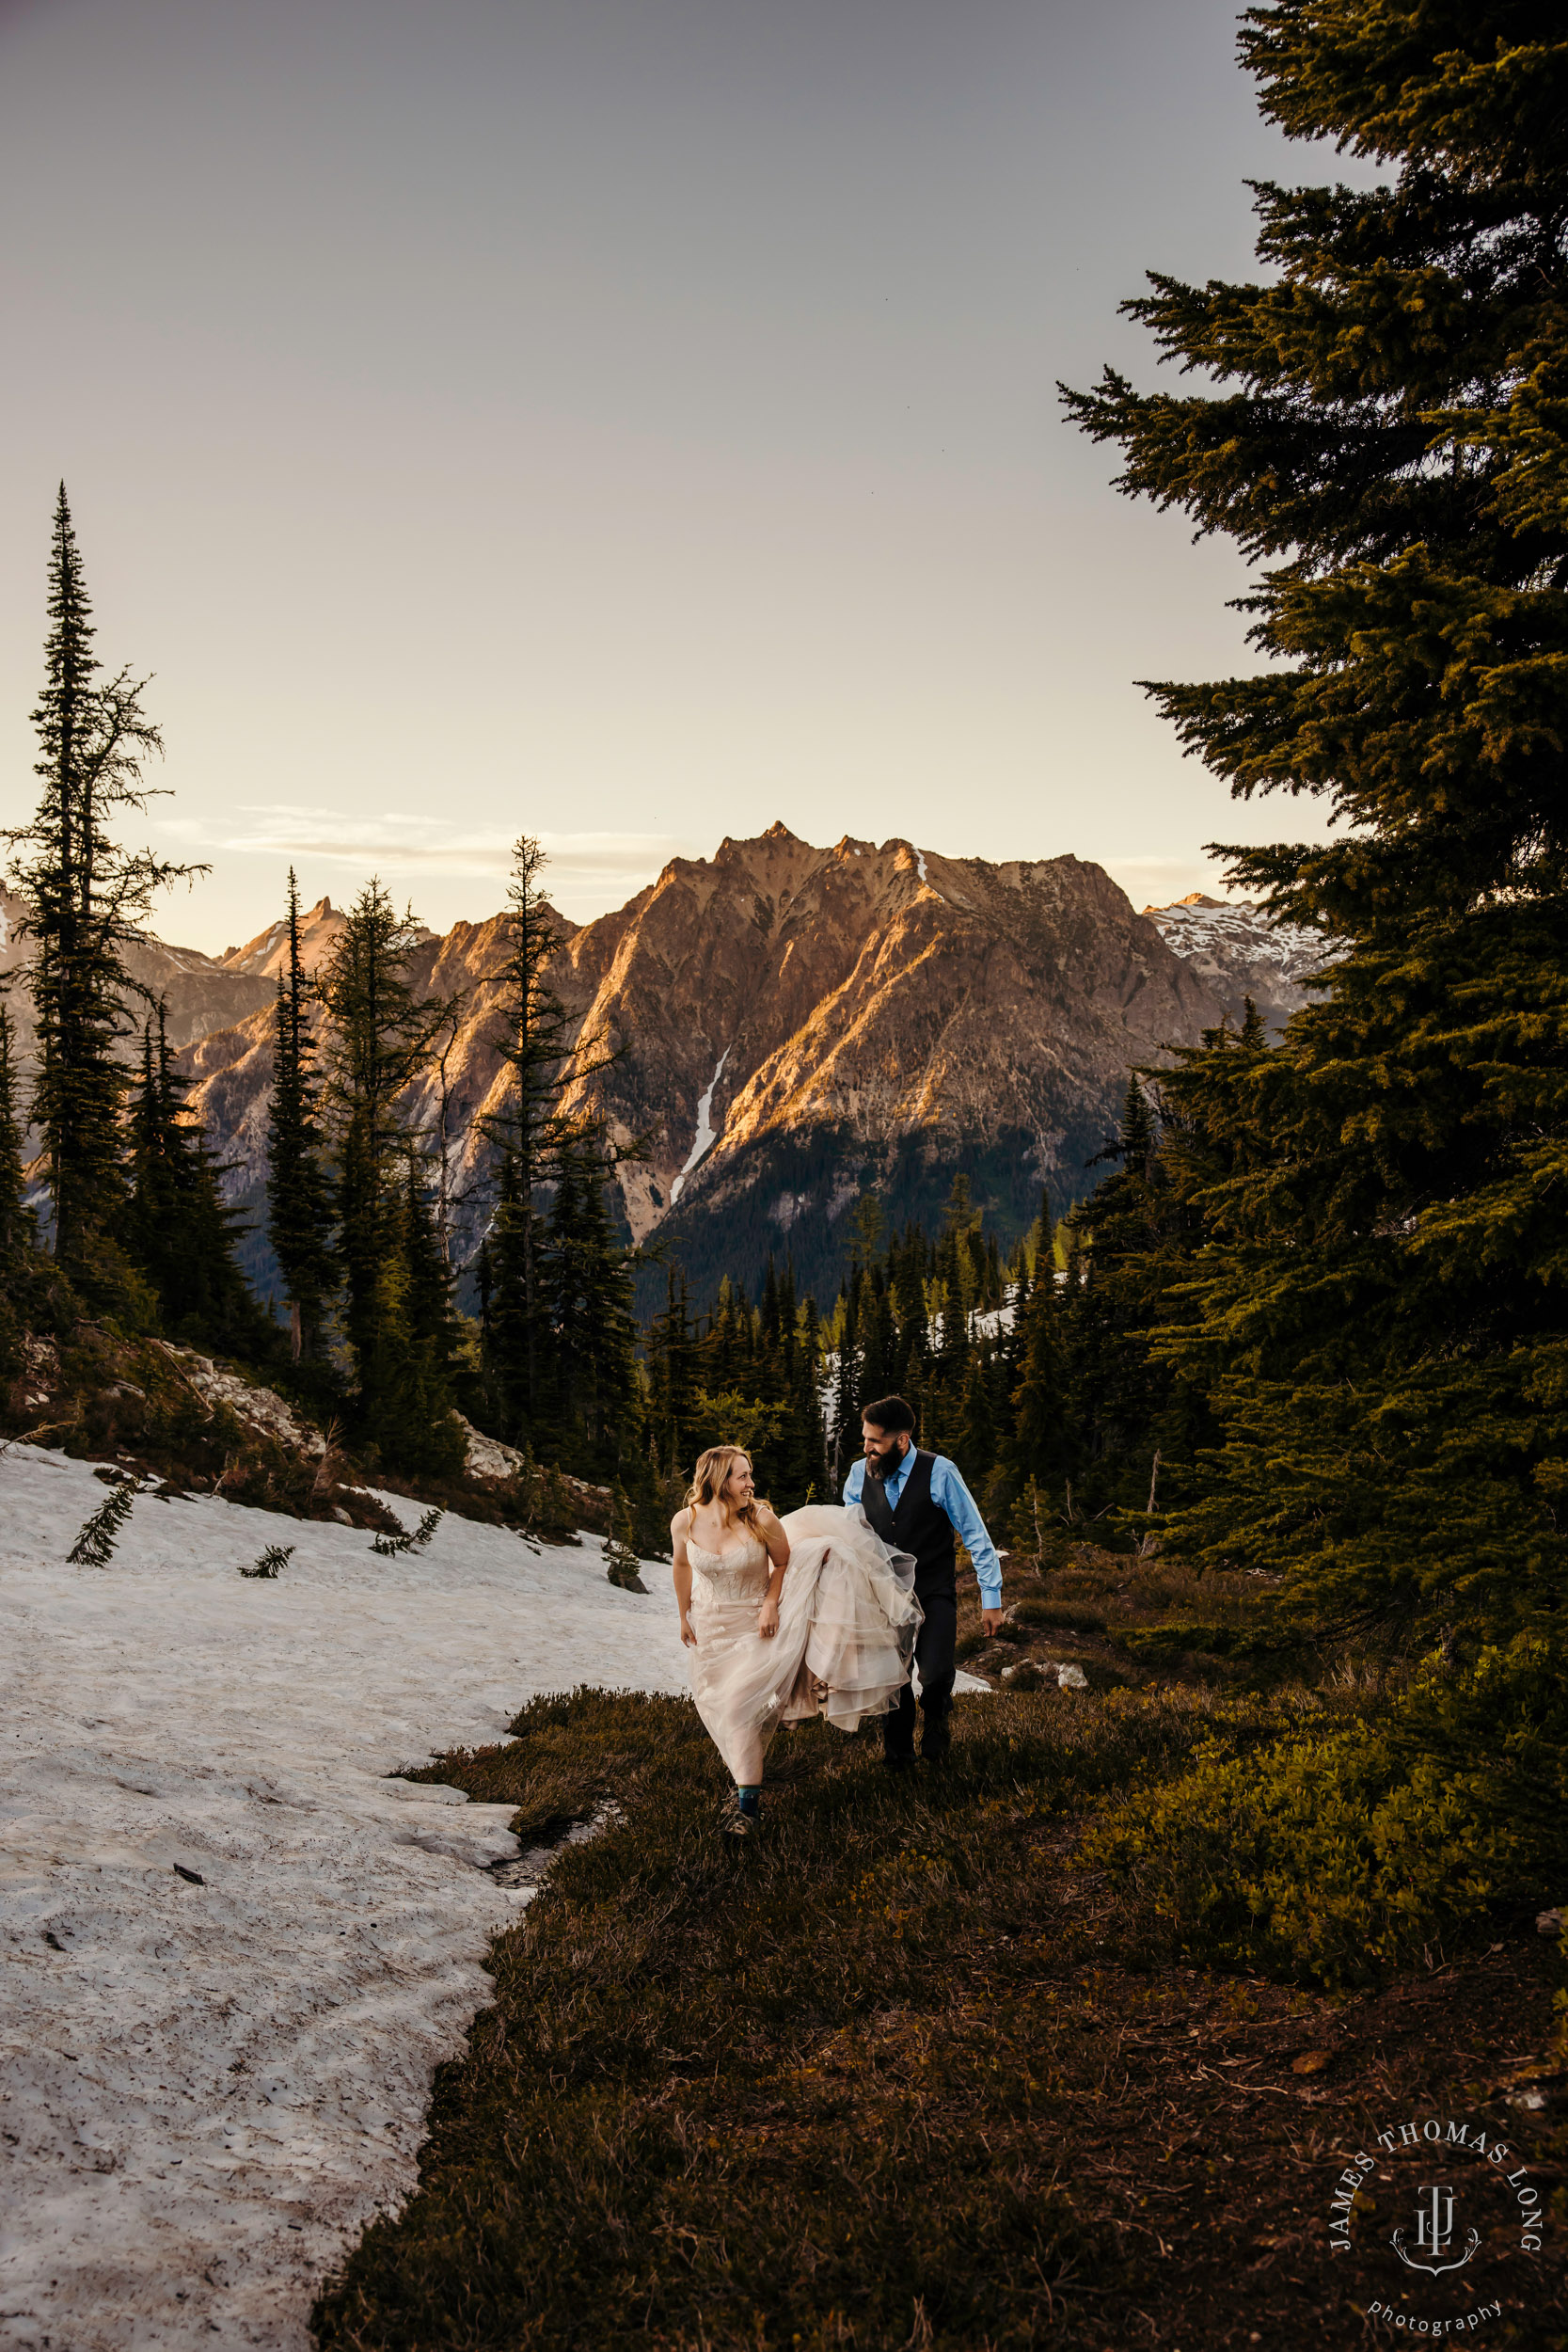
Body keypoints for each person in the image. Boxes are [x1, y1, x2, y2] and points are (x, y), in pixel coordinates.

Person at [672, 1443, 922, 1836]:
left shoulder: (762, 1520)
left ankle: (748, 1812)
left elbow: (784, 1562)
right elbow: (682, 1564)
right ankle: (743, 1788)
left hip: (757, 1625)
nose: (751, 1483)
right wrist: (683, 1615)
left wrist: (771, 1603)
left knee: (739, 1709)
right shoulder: (684, 1522)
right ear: (720, 1481)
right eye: (743, 1476)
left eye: (750, 1474)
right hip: (711, 1628)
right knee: (719, 1708)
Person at [842, 1395, 1004, 1770]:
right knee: (893, 1677)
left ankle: (937, 1719)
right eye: (864, 1439)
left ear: (901, 1440)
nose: (867, 1448)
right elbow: (849, 1536)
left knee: (935, 1671)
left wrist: (991, 1598)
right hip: (884, 1594)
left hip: (933, 1588)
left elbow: (975, 1535)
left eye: (875, 1441)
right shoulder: (857, 1474)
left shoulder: (940, 1471)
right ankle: (898, 1757)